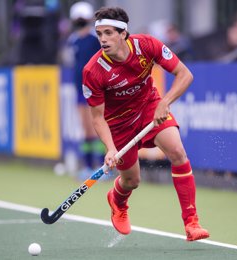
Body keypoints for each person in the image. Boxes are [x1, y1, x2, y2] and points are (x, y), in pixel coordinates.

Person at [82, 6, 210, 241]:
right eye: (99, 34)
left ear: (123, 33)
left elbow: (185, 74)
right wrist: (110, 148)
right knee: (132, 181)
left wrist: (166, 102)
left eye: (109, 33)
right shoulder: (93, 71)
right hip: (118, 124)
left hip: (149, 107)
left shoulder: (146, 45)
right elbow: (97, 117)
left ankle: (192, 222)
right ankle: (117, 201)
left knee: (177, 152)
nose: (103, 39)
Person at [67, 1, 104, 178]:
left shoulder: (95, 39)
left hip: (96, 89)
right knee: (86, 130)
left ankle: (104, 166)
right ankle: (88, 166)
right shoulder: (73, 40)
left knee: (98, 127)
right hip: (80, 91)